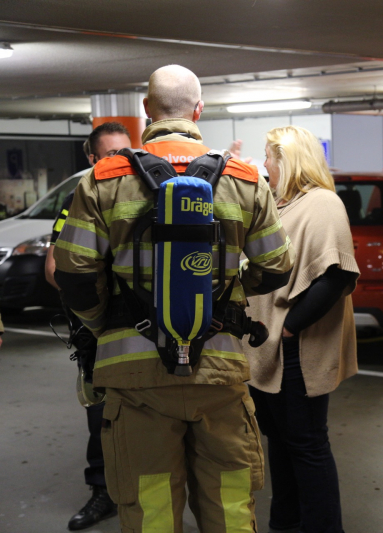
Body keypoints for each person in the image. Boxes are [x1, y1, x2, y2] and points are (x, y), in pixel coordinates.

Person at [54, 64, 295, 532]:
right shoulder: (246, 181)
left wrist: (109, 325)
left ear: (146, 110)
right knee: (229, 509)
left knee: (151, 513)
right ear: (199, 110)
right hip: (220, 372)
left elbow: (74, 273)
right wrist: (225, 295)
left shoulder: (102, 180)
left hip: (134, 374)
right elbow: (277, 267)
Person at [244, 125, 359, 533]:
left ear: (288, 159)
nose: (265, 164)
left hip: (295, 348)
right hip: (268, 344)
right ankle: (287, 522)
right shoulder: (281, 204)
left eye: (269, 157)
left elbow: (336, 276)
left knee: (307, 443)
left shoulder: (323, 204)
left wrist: (290, 327)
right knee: (282, 440)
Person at [44, 121, 131, 531]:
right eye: (112, 155)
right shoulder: (81, 198)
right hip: (100, 331)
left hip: (142, 328)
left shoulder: (146, 193)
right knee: (101, 415)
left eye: (125, 154)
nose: (121, 163)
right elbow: (53, 268)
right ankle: (102, 491)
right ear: (93, 160)